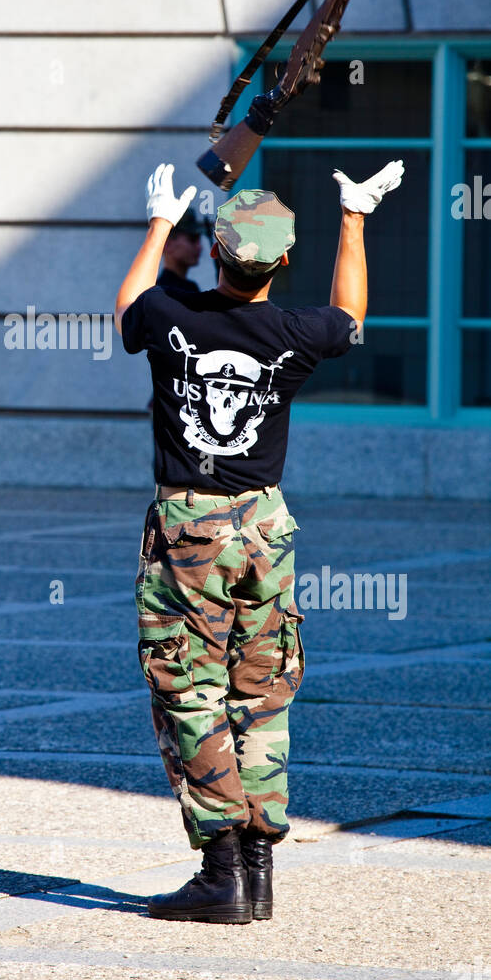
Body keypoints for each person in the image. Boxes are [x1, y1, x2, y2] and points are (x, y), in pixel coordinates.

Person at [114, 157, 404, 924]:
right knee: (262, 692)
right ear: (282, 261)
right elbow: (352, 318)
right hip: (266, 528)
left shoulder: (173, 318)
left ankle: (219, 875)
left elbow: (126, 308)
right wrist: (354, 219)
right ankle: (258, 871)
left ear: (216, 251)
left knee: (189, 688)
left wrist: (157, 223)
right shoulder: (294, 334)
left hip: (190, 529)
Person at [157, 208, 209, 298]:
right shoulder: (163, 291)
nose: (199, 247)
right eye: (192, 240)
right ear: (167, 244)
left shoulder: (190, 287)